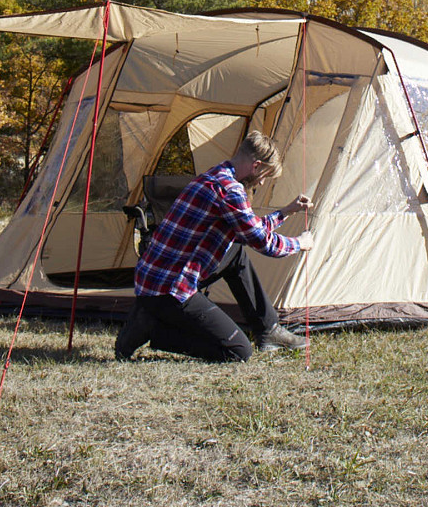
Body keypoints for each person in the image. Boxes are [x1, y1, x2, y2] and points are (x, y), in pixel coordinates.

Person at [116, 131, 313, 362]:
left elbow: (249, 228)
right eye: (264, 176)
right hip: (169, 288)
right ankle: (153, 330)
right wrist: (300, 243)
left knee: (235, 252)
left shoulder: (217, 175)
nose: (261, 182)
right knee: (238, 351)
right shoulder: (230, 191)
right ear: (256, 166)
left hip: (156, 278)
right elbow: (263, 242)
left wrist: (286, 212)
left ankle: (268, 330)